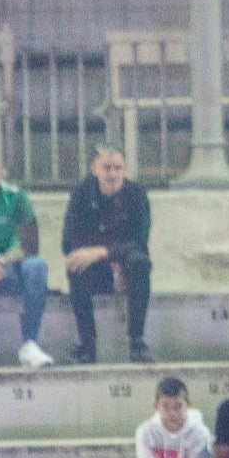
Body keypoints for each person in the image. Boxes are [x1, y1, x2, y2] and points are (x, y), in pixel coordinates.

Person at [61, 146, 153, 365]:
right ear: (94, 169)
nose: (112, 174)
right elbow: (68, 241)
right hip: (96, 269)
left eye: (118, 168)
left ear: (125, 170)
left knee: (140, 263)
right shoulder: (81, 193)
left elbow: (140, 241)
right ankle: (87, 343)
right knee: (75, 265)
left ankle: (137, 341)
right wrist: (92, 256)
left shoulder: (136, 194)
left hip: (126, 266)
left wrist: (105, 253)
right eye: (107, 168)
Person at [0, 148, 52, 368]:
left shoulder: (15, 196)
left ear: (0, 173)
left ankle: (29, 344)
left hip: (5, 270)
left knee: (36, 266)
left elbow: (30, 246)